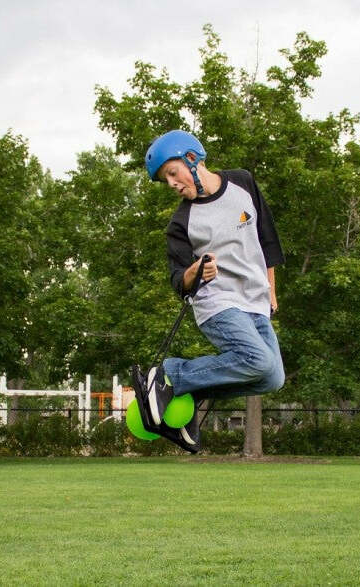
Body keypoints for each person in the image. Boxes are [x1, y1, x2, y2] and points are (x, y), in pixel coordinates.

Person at [137, 129, 285, 452]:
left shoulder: (242, 183)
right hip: (217, 304)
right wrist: (196, 269)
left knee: (273, 378)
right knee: (259, 360)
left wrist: (271, 292)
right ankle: (170, 372)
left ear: (192, 158)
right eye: (167, 180)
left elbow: (267, 240)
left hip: (256, 302)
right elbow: (179, 281)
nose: (173, 184)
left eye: (173, 173)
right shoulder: (181, 223)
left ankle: (190, 390)